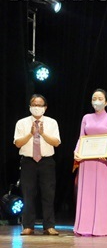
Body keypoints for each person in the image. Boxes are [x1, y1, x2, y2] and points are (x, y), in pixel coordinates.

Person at [74, 89, 107, 236]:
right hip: (86, 161)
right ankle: (85, 226)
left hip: (102, 162)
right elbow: (81, 137)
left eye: (100, 98)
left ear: (106, 102)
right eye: (94, 98)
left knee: (102, 193)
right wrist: (77, 152)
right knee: (87, 194)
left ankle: (104, 227)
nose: (97, 101)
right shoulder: (86, 117)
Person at [13, 94, 61, 236]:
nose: (37, 107)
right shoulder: (21, 123)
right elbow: (17, 143)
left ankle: (49, 226)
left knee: (48, 194)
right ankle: (28, 226)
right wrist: (30, 134)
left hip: (46, 161)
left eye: (40, 105)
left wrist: (43, 134)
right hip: (28, 161)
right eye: (34, 104)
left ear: (45, 108)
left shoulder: (52, 122)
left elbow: (56, 142)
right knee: (28, 194)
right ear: (30, 107)